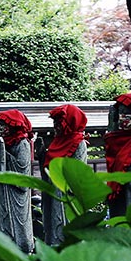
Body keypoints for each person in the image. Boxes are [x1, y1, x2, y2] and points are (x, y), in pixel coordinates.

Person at [42, 104, 89, 246]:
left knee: (67, 223)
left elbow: (78, 170)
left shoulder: (79, 143)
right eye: (54, 122)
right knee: (53, 222)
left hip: (68, 192)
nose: (55, 126)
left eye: (58, 122)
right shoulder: (57, 142)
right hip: (54, 190)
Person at [0, 109, 34, 253]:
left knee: (19, 220)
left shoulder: (23, 143)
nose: (1, 128)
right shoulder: (4, 143)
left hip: (17, 192)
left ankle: (22, 247)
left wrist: (5, 155)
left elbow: (22, 167)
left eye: (4, 125)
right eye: (0, 125)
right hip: (5, 189)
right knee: (4, 218)